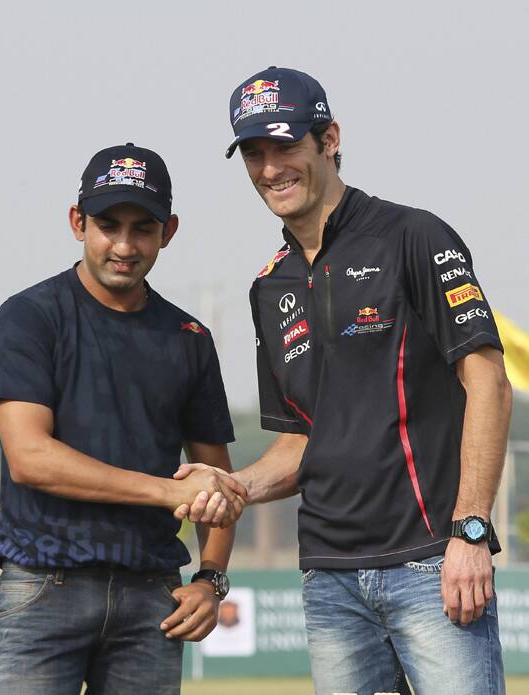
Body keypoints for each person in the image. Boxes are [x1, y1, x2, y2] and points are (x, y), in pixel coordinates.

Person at [178, 66, 512, 695]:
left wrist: (470, 531)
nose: (270, 167)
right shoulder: (269, 284)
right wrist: (234, 484)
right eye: (253, 152)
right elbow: (306, 438)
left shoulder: (413, 236)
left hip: (432, 564)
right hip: (329, 579)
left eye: (285, 146)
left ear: (329, 138)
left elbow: (488, 383)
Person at [0, 142, 246, 695]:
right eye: (108, 224)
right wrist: (163, 492)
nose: (124, 245)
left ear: (168, 231)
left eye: (142, 228)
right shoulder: (29, 317)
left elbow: (218, 484)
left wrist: (209, 580)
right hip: (43, 584)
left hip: (153, 596)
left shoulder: (189, 339)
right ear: (78, 222)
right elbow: (30, 459)